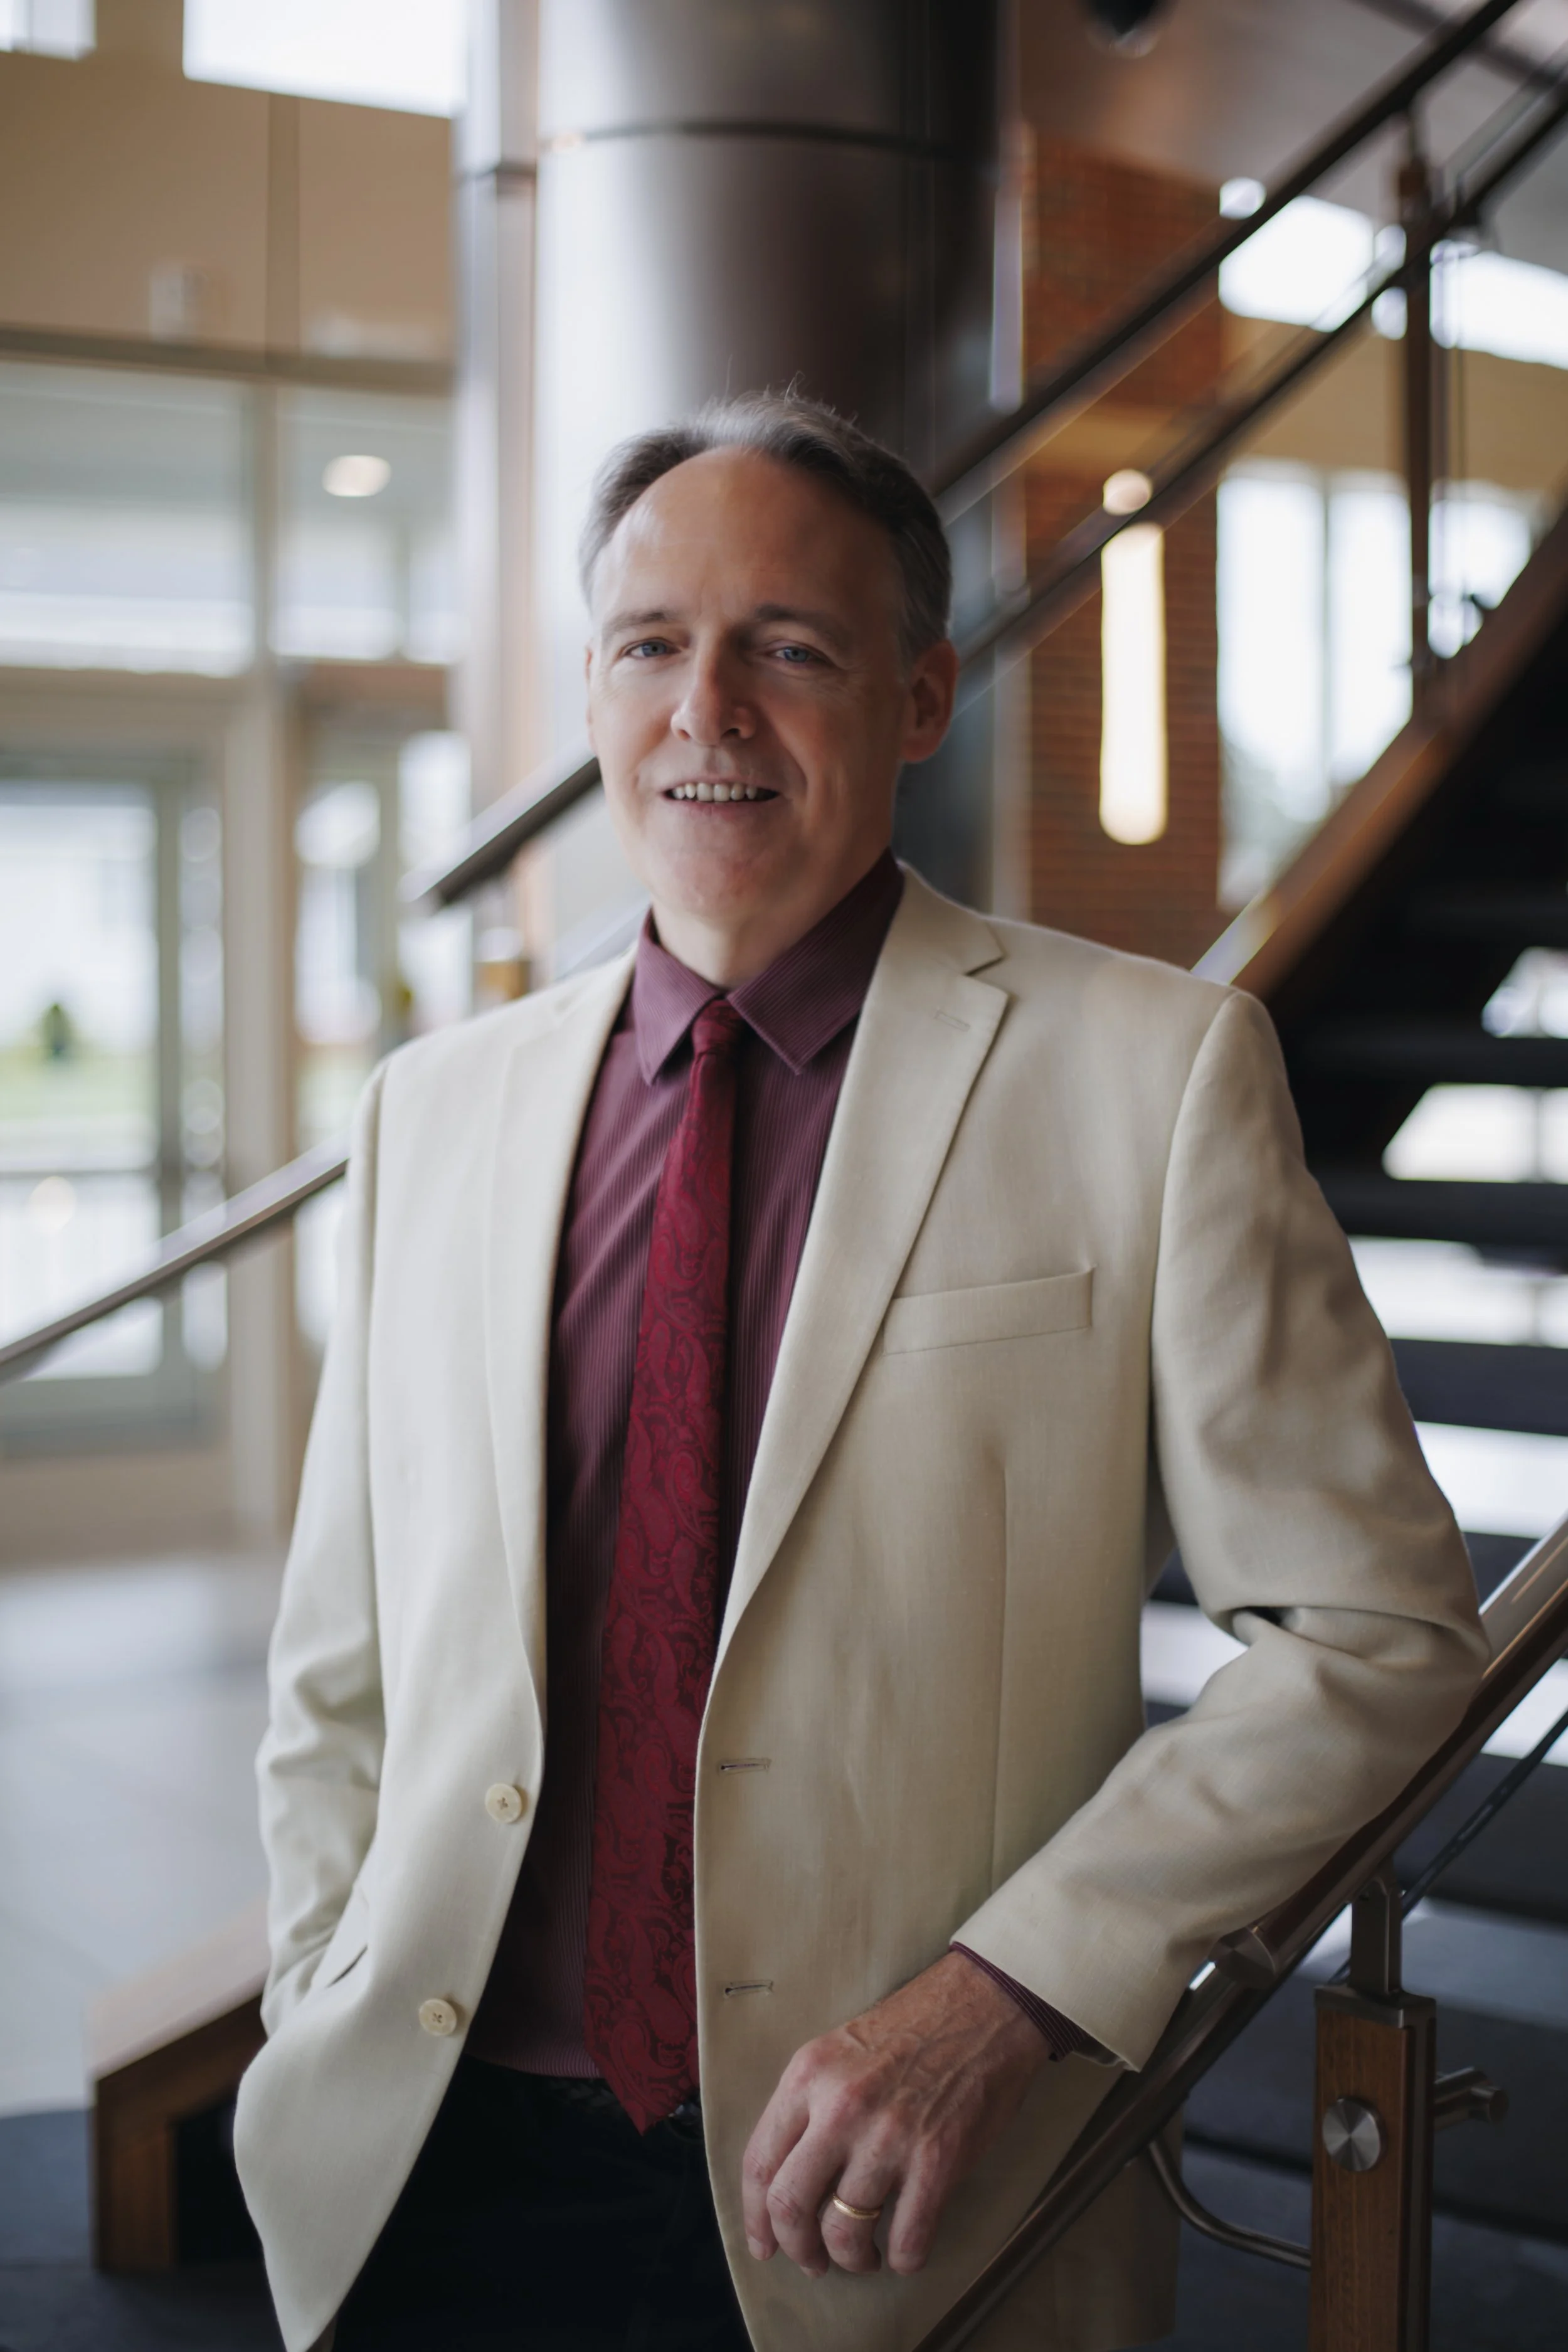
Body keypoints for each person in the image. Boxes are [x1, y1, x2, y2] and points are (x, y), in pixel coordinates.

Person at [234, 393, 1486, 2352]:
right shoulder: (432, 1113)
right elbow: (342, 1666)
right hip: (421, 2172)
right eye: (651, 643)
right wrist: (315, 1986)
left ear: (920, 696)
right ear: (590, 684)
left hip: (896, 2206)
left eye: (788, 648)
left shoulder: (1146, 1078)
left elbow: (1383, 1629)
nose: (706, 708)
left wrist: (1013, 1987)